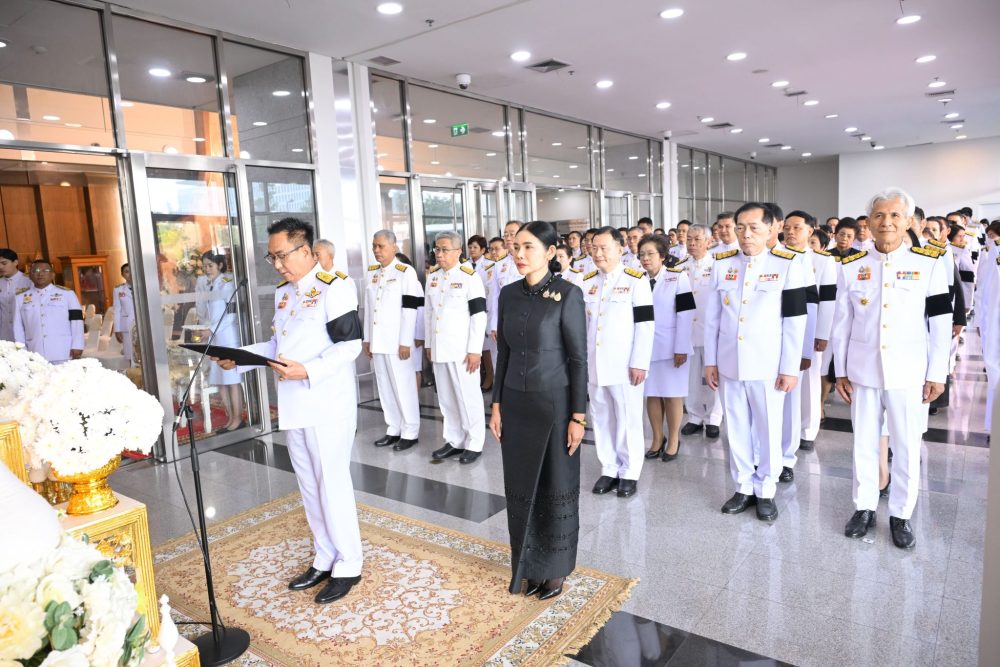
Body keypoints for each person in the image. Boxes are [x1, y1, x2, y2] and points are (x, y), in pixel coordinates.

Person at [215, 217, 364, 604]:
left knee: (331, 485)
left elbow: (350, 346)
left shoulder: (334, 288)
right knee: (310, 487)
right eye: (272, 257)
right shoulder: (285, 293)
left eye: (282, 256)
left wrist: (309, 370)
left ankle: (349, 563)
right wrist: (240, 357)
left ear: (306, 250)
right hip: (295, 406)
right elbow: (277, 347)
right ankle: (325, 556)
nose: (277, 264)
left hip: (326, 404)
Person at [832, 188, 951, 549]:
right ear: (868, 223)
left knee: (906, 444)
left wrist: (937, 373)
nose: (887, 222)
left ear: (909, 221)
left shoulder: (930, 262)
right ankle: (864, 507)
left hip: (908, 372)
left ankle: (901, 513)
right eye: (879, 215)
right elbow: (842, 322)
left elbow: (940, 322)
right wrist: (841, 370)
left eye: (895, 215)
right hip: (863, 370)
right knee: (864, 443)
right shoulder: (851, 265)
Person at [489, 220, 587, 601]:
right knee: (521, 488)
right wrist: (496, 405)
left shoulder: (569, 294)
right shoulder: (508, 294)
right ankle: (527, 565)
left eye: (528, 247)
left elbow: (578, 360)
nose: (519, 254)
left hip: (554, 406)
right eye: (516, 247)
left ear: (550, 252)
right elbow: (504, 352)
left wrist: (577, 417)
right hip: (516, 404)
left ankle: (555, 570)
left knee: (554, 485)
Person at [704, 203, 809, 522]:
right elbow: (712, 318)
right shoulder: (722, 263)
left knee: (768, 429)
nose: (746, 234)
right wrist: (710, 360)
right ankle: (743, 487)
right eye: (740, 227)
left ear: (771, 229)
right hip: (730, 362)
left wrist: (789, 367)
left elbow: (795, 321)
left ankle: (766, 490)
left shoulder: (788, 264)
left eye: (754, 227)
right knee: (736, 428)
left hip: (768, 365)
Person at [584, 226, 654, 498]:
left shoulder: (636, 280)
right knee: (601, 416)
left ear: (620, 249)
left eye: (604, 248)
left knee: (627, 418)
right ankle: (609, 467)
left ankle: (630, 471)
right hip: (595, 363)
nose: (598, 253)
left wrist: (640, 362)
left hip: (625, 364)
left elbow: (645, 325)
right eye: (594, 248)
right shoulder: (587, 281)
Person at [425, 230, 488, 464]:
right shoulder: (433, 277)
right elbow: (429, 314)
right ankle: (454, 440)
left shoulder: (469, 277)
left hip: (462, 350)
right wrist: (429, 344)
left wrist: (475, 350)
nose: (439, 254)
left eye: (444, 250)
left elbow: (479, 316)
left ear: (458, 251)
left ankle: (474, 442)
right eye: (437, 249)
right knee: (447, 398)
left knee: (467, 397)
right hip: (440, 349)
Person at [783, 211, 838, 455]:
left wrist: (822, 334)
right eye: (787, 228)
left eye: (797, 227)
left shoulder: (822, 260)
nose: (791, 232)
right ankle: (787, 429)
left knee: (809, 381)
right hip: (784, 329)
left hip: (810, 330)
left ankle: (807, 430)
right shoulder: (777, 256)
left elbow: (827, 299)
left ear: (810, 231)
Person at [364, 230, 424, 451]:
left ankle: (410, 431)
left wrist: (406, 341)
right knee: (385, 387)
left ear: (394, 247)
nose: (376, 250)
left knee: (403, 387)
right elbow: (369, 308)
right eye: (374, 246)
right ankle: (393, 428)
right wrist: (367, 339)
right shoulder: (372, 272)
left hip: (397, 343)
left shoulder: (405, 272)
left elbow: (410, 309)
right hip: (378, 341)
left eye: (381, 246)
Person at [638, 234, 695, 460]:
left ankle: (673, 440)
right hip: (646, 348)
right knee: (651, 395)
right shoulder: (637, 279)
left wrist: (681, 347)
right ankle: (656, 438)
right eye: (642, 254)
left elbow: (686, 314)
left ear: (662, 256)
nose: (645, 258)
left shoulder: (678, 277)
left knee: (672, 395)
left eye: (650, 254)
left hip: (672, 347)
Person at [680, 224, 723, 438]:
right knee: (690, 377)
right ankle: (694, 416)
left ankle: (714, 418)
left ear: (709, 241)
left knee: (714, 377)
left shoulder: (717, 265)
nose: (692, 243)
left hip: (711, 331)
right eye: (689, 239)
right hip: (688, 330)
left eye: (697, 239)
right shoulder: (680, 267)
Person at [198, 251, 245, 433]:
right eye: (204, 266)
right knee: (220, 380)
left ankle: (238, 419)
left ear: (219, 265)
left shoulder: (227, 283)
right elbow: (205, 311)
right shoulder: (207, 284)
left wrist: (211, 329)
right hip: (214, 337)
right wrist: (205, 328)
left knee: (231, 379)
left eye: (210, 265)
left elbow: (232, 314)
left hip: (227, 337)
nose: (207, 269)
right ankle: (230, 418)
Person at [13, 259, 84, 364]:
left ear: (53, 275)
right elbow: (18, 326)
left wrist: (77, 345)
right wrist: (21, 350)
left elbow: (77, 321)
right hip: (34, 352)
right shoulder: (20, 298)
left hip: (63, 350)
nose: (40, 274)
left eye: (45, 270)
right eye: (36, 271)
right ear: (30, 275)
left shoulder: (67, 294)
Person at [0, 249, 32, 342]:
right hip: (4, 333)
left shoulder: (29, 281)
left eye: (4, 263)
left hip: (26, 331)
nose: (0, 267)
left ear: (15, 262)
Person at [112, 263, 136, 367]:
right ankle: (134, 374)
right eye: (126, 272)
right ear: (122, 275)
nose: (129, 274)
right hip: (127, 326)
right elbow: (117, 309)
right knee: (131, 355)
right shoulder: (118, 290)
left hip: (143, 325)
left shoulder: (143, 287)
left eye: (131, 270)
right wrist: (117, 329)